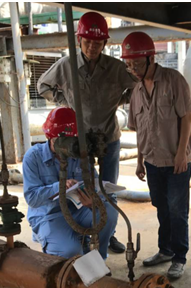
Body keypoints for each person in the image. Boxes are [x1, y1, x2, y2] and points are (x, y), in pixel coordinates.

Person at [37, 11, 136, 254]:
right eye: (88, 41)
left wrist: (119, 101)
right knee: (82, 188)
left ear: (105, 43)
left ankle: (108, 233)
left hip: (109, 137)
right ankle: (83, 230)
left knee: (108, 188)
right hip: (78, 140)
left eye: (98, 42)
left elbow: (137, 86)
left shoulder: (115, 68)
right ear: (79, 39)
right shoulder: (66, 65)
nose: (92, 47)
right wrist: (65, 102)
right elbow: (42, 86)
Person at [122, 32, 191, 280]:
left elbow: (186, 117)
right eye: (129, 65)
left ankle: (179, 258)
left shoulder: (174, 80)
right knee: (162, 208)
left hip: (175, 161)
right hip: (152, 162)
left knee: (177, 211)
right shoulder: (137, 91)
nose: (134, 70)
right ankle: (165, 250)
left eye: (137, 64)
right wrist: (139, 161)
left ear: (151, 58)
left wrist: (182, 154)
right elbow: (139, 129)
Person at [23, 107, 118, 260]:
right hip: (50, 215)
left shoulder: (79, 154)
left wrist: (93, 201)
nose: (67, 146)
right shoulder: (33, 157)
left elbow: (95, 184)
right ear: (49, 136)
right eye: (61, 141)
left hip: (78, 210)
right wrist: (59, 186)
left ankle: (98, 259)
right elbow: (32, 198)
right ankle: (69, 246)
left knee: (109, 212)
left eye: (71, 140)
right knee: (71, 253)